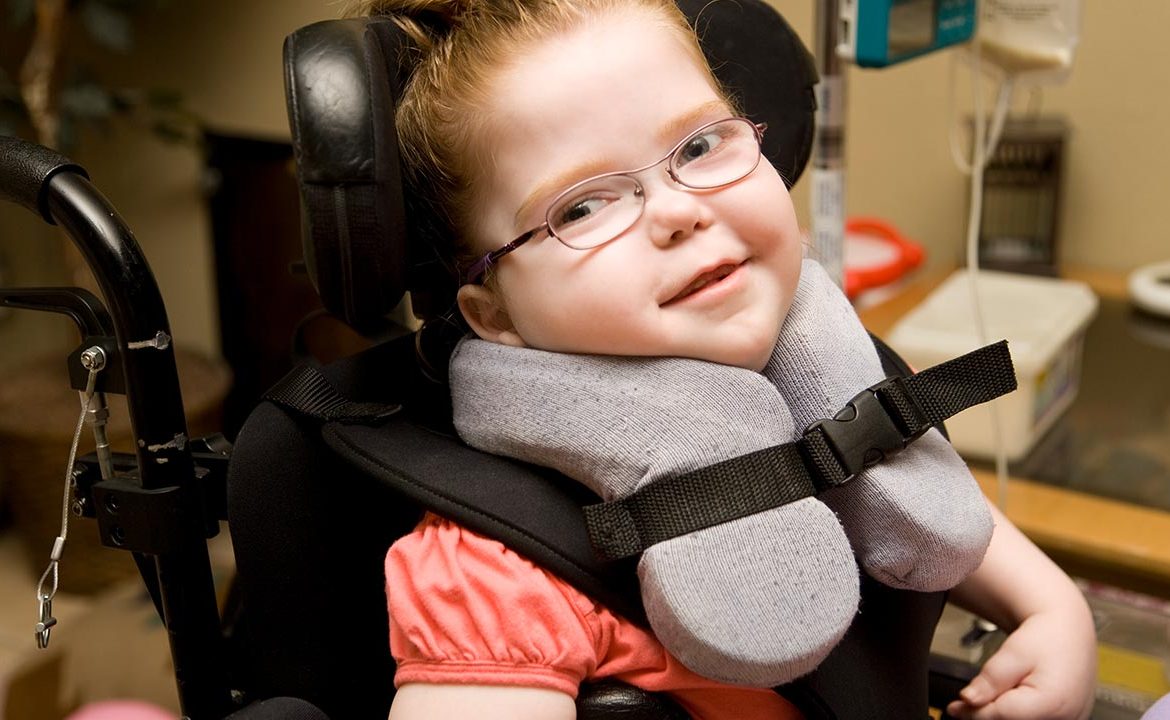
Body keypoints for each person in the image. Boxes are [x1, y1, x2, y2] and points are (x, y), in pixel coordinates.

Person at [345, 1, 1099, 718]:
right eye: (582, 206)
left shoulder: (819, 378)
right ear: (497, 315)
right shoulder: (495, 572)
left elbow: (907, 492)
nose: (679, 212)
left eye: (700, 146)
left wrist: (1053, 610)